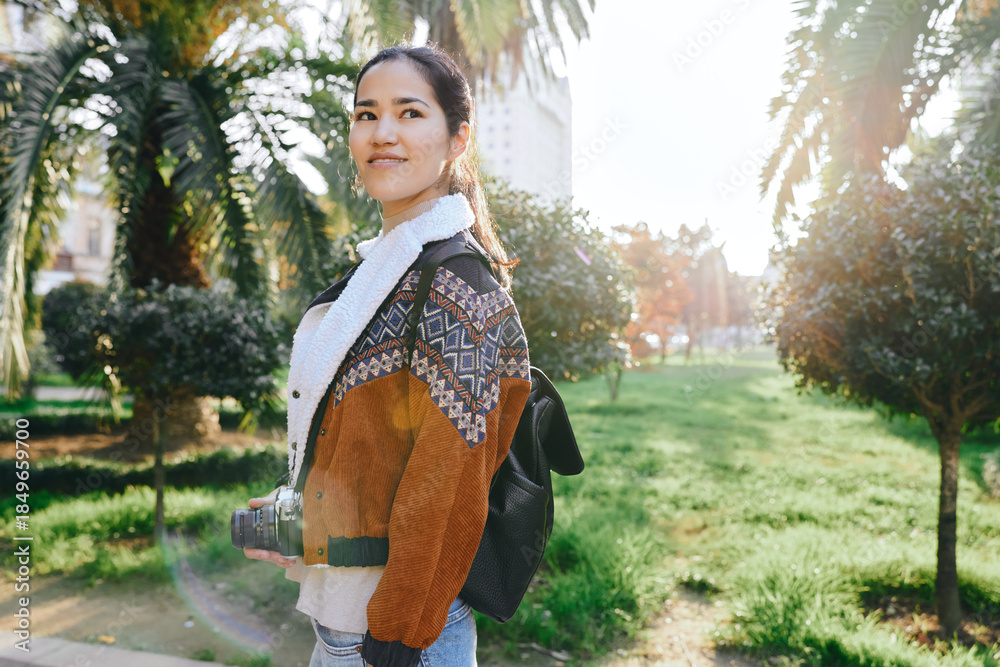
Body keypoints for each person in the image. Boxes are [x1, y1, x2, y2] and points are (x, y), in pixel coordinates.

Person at [242, 42, 532, 667]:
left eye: (410, 113)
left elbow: (450, 483)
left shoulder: (456, 288)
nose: (382, 133)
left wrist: (400, 632)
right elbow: (372, 449)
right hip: (342, 629)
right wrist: (301, 511)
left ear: (457, 139)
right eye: (366, 114)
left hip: (397, 640)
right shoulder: (383, 274)